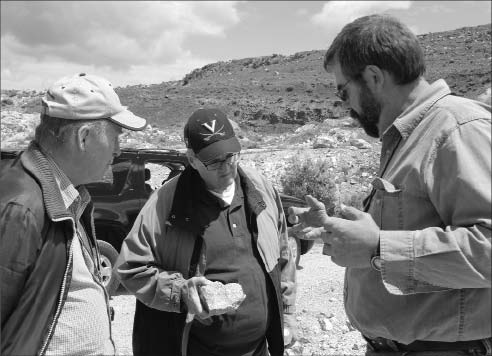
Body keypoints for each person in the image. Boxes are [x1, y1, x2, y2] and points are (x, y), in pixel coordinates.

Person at [289, 14, 491, 356]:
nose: (345, 105)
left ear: (373, 77)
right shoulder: (411, 135)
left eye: (343, 91)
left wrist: (378, 248)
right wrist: (339, 231)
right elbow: (411, 222)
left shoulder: (458, 128)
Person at [115, 108, 297, 356]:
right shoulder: (166, 203)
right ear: (191, 159)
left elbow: (282, 255)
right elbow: (131, 268)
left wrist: (286, 314)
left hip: (259, 349)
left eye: (231, 155)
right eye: (214, 160)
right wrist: (180, 293)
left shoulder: (260, 187)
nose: (226, 167)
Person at [0, 73, 147, 355]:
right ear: (83, 138)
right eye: (115, 137)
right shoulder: (20, 208)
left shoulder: (68, 195)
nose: (118, 150)